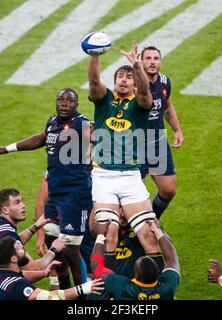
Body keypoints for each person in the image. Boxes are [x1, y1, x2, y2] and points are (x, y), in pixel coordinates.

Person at [0, 88, 92, 288]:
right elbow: (40, 139)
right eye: (60, 99)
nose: (64, 104)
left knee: (71, 249)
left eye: (69, 101)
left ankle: (81, 295)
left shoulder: (82, 123)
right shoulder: (52, 122)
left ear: (76, 105)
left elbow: (98, 135)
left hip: (76, 196)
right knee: (53, 239)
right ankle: (62, 288)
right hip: (56, 195)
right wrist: (6, 149)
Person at [88, 41, 163, 267]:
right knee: (108, 231)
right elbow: (93, 81)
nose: (124, 79)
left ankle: (159, 288)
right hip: (103, 176)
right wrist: (94, 55)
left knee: (149, 233)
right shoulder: (104, 99)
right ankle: (107, 287)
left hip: (131, 176)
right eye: (120, 76)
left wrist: (138, 67)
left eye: (128, 77)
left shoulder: (140, 103)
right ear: (114, 81)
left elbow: (144, 92)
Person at [0, 188, 64, 300]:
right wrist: (54, 249)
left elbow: (14, 241)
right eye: (17, 202)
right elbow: (34, 268)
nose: (23, 205)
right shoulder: (6, 234)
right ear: (6, 210)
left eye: (22, 201)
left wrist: (36, 226)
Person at [140, 46, 183, 219]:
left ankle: (152, 221)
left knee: (168, 189)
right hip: (135, 143)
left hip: (157, 140)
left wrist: (177, 129)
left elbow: (167, 105)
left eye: (156, 58)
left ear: (161, 61)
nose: (152, 62)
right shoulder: (132, 82)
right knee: (136, 197)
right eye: (148, 58)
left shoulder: (165, 81)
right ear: (141, 61)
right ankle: (131, 234)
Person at [0, 236, 104, 300]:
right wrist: (85, 288)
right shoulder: (18, 286)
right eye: (19, 248)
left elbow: (22, 274)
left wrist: (46, 273)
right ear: (13, 259)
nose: (23, 248)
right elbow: (51, 297)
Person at [91, 220, 180, 300]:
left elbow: (97, 269)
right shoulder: (167, 288)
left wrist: (100, 235)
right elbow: (172, 259)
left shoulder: (126, 290)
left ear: (136, 275)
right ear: (158, 272)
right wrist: (158, 231)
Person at [34, 173, 95, 290]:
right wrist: (41, 236)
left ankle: (83, 296)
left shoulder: (95, 168)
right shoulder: (57, 167)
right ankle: (65, 291)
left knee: (88, 269)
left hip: (87, 223)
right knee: (60, 263)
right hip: (61, 223)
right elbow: (42, 201)